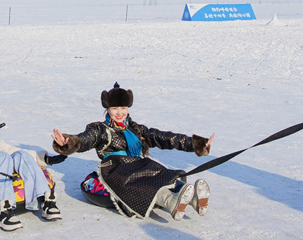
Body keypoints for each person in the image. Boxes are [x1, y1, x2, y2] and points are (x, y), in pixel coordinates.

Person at [51, 83, 214, 221]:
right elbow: (85, 139)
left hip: (138, 164)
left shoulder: (136, 129)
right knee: (143, 180)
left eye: (123, 107)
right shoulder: (99, 129)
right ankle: (171, 202)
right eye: (115, 108)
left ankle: (193, 200)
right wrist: (68, 142)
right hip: (115, 169)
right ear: (107, 109)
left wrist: (196, 144)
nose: (119, 112)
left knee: (160, 172)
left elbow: (164, 138)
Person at [0, 97, 65, 231]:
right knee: (2, 157)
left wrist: (45, 159)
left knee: (20, 155)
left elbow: (13, 151)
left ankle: (45, 199)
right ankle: (3, 210)